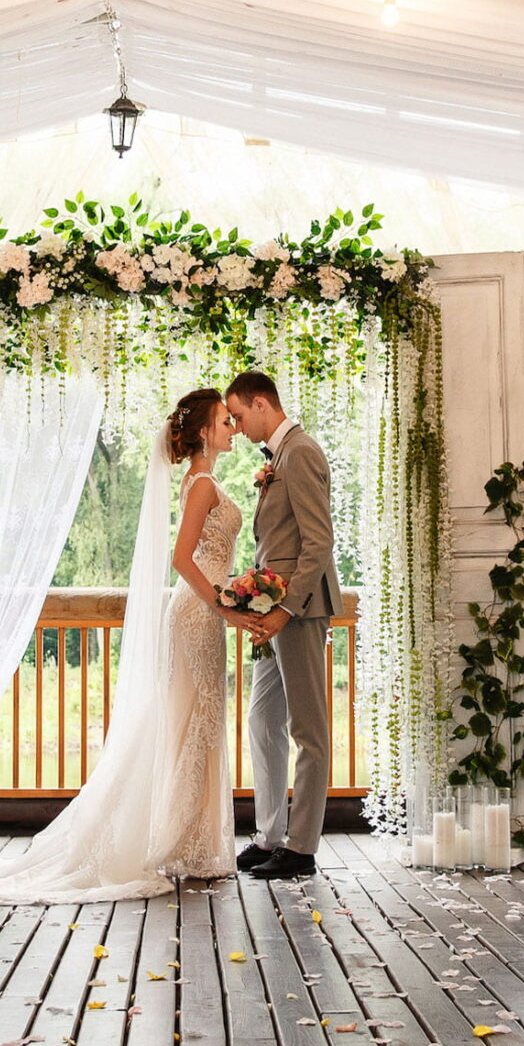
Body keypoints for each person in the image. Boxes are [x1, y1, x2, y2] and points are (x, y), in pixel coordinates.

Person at [0, 389, 239, 902]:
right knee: (189, 720)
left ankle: (197, 842)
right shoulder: (201, 485)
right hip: (198, 612)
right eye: (226, 420)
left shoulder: (203, 482)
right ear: (203, 431)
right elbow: (181, 559)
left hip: (203, 612)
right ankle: (182, 841)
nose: (234, 427)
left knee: (195, 720)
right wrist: (223, 602)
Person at [222, 370, 340, 881]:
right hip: (273, 613)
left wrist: (283, 609)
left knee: (308, 729)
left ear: (262, 404)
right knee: (261, 720)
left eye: (240, 416)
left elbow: (318, 544)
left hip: (299, 610)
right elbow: (276, 545)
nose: (237, 426)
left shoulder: (301, 451)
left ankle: (302, 847)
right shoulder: (278, 457)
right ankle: (270, 834)